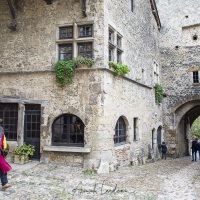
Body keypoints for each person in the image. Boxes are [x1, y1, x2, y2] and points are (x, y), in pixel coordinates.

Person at [0, 118, 12, 190]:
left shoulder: (1, 129)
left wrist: (4, 148)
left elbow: (3, 139)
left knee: (2, 166)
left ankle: (5, 183)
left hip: (0, 152)